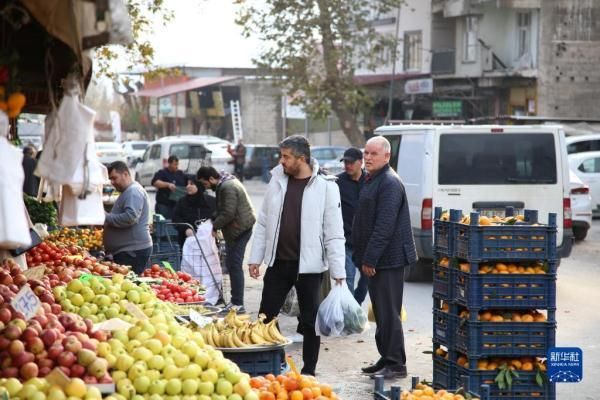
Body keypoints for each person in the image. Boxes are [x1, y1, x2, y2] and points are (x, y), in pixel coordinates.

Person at [248, 135, 346, 376]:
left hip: (310, 268)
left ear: (301, 159)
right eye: (281, 156)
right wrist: (256, 257)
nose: (281, 161)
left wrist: (338, 271)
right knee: (266, 316)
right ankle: (274, 364)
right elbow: (263, 223)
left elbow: (334, 232)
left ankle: (309, 371)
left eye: (286, 157)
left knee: (311, 321)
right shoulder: (277, 182)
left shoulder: (326, 187)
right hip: (278, 263)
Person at [352, 136, 417, 380]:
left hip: (387, 259)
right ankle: (386, 357)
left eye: (373, 154)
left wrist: (370, 259)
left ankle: (396, 363)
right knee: (380, 311)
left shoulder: (389, 182)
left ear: (386, 157)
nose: (367, 158)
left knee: (389, 312)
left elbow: (384, 226)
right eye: (366, 153)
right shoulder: (373, 179)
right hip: (377, 259)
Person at [196, 166, 256, 311]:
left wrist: (214, 226)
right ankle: (235, 301)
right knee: (231, 264)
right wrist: (212, 219)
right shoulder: (225, 183)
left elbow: (228, 212)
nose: (206, 187)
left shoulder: (227, 187)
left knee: (234, 265)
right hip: (238, 227)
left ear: (211, 178)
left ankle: (238, 303)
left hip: (240, 229)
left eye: (205, 184)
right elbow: (223, 209)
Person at [104, 161, 153, 275]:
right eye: (110, 179)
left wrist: (105, 217)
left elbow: (130, 217)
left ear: (125, 174)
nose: (112, 182)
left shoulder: (133, 191)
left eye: (114, 178)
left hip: (132, 252)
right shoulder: (128, 191)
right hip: (128, 251)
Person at [336, 147, 369, 304]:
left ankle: (356, 304)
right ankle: (349, 314)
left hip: (366, 242)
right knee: (347, 278)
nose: (347, 165)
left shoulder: (371, 181)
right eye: (345, 162)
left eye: (351, 162)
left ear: (361, 162)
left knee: (366, 279)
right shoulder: (338, 182)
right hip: (346, 241)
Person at [172, 176, 217, 248]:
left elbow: (217, 216)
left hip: (208, 241)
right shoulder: (182, 202)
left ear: (199, 186)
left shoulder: (211, 201)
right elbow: (176, 218)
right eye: (187, 184)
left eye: (191, 184)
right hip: (187, 241)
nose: (188, 186)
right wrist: (186, 229)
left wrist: (215, 228)